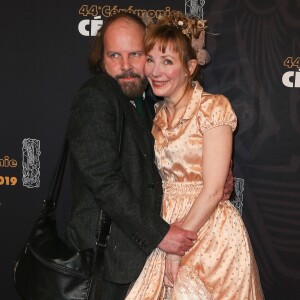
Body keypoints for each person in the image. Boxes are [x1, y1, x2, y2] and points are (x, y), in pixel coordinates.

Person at [65, 12, 234, 300]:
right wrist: (162, 235)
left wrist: (214, 174)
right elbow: (105, 181)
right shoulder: (98, 95)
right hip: (107, 262)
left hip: (145, 253)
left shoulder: (147, 106)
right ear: (101, 59)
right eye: (114, 55)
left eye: (135, 54)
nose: (126, 66)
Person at [125, 13, 264, 299]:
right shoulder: (155, 116)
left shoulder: (213, 108)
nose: (155, 71)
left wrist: (176, 252)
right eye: (150, 60)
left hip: (209, 233)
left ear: (190, 67)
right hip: (165, 227)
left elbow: (213, 190)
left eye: (167, 61)